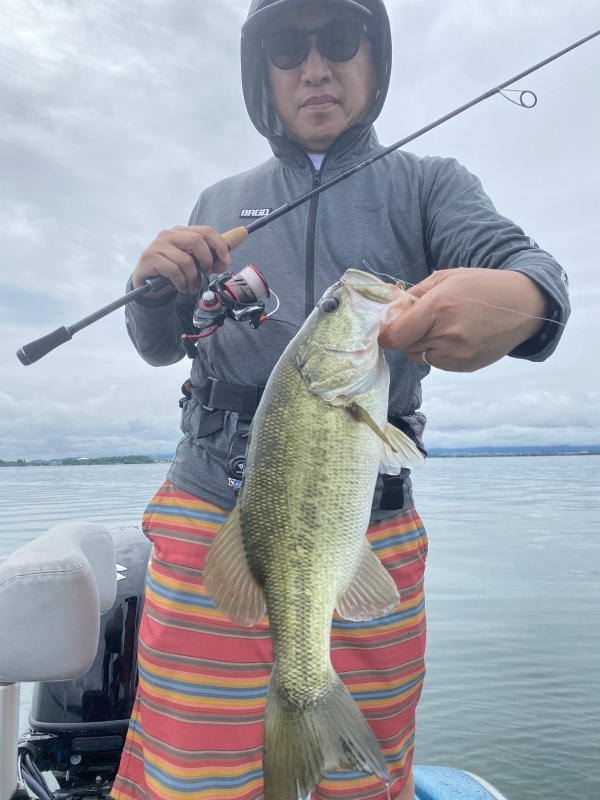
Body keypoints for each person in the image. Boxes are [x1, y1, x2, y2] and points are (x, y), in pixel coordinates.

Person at [111, 1, 570, 799]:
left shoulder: (429, 185)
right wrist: (149, 289)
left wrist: (522, 303)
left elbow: (532, 273)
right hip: (207, 509)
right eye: (289, 48)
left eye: (340, 39)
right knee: (192, 773)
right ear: (261, 72)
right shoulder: (217, 200)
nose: (315, 67)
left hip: (364, 525)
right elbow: (160, 344)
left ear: (375, 57)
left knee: (361, 776)